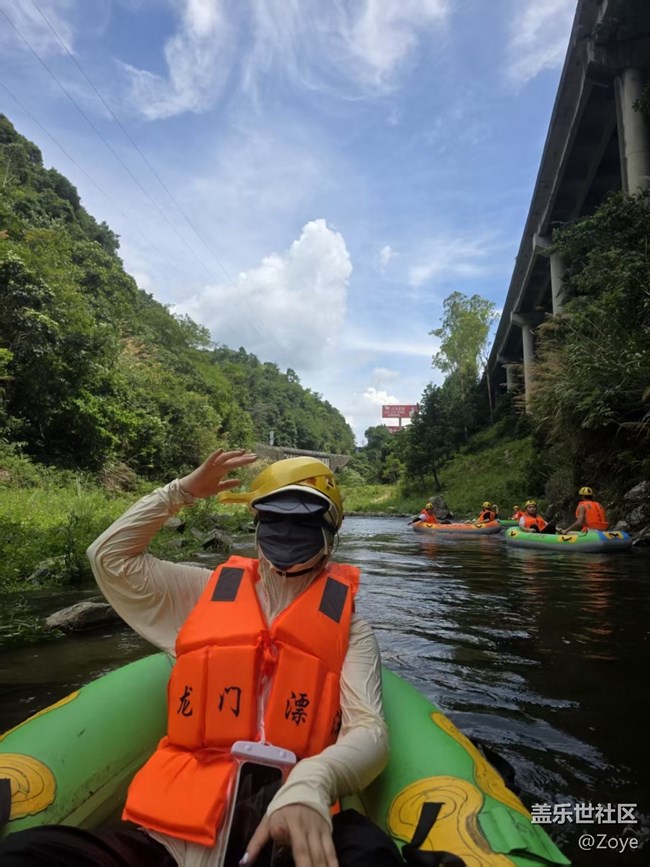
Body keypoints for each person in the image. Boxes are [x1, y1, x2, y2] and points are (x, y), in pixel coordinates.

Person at [0, 450, 403, 867]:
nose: (287, 530)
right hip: (169, 841)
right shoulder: (202, 592)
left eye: (304, 520)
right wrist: (181, 492)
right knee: (29, 853)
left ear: (330, 531)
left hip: (288, 836)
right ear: (257, 524)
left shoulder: (351, 630)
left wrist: (314, 780)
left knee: (369, 850)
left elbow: (368, 730)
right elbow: (109, 558)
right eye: (273, 517)